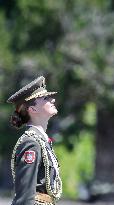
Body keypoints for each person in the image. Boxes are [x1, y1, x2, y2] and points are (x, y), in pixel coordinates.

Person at [7, 76, 62, 205]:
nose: (52, 99)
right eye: (45, 98)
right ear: (32, 109)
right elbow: (25, 196)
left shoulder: (42, 141)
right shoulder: (31, 142)